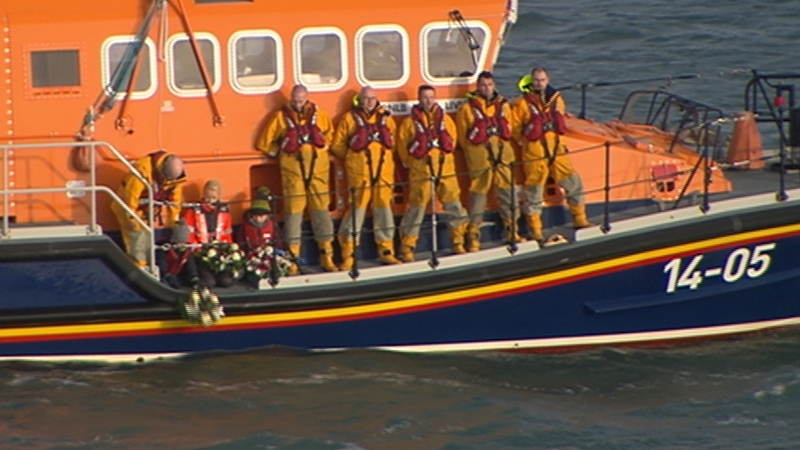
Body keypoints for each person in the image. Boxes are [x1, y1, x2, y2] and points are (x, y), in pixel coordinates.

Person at [256, 84, 338, 272]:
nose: (298, 104)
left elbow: (330, 135)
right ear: (291, 99)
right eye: (295, 100)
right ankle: (292, 261)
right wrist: (280, 153)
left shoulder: (320, 115)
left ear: (307, 98)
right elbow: (264, 143)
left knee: (321, 215)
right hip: (294, 176)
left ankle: (327, 257)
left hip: (318, 174)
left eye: (301, 100)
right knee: (293, 217)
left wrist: (324, 148)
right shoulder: (280, 117)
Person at [513, 67, 591, 241]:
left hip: (557, 150)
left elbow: (560, 119)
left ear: (547, 80)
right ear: (531, 82)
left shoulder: (557, 100)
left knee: (574, 184)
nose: (539, 83)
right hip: (535, 154)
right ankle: (536, 230)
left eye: (542, 80)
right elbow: (516, 130)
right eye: (536, 80)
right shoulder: (521, 104)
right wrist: (529, 145)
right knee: (534, 193)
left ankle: (580, 219)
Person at [330, 86, 401, 269]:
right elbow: (337, 145)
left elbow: (393, 144)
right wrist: (354, 158)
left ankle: (387, 251)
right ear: (359, 100)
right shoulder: (349, 119)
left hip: (383, 173)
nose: (369, 102)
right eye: (366, 98)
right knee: (355, 213)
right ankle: (348, 254)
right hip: (360, 175)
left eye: (372, 98)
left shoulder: (386, 118)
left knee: (384, 212)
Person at [396, 84, 468, 262]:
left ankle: (458, 241)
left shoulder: (445, 121)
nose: (428, 100)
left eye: (430, 97)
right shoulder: (408, 123)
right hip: (421, 171)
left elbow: (452, 141)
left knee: (454, 206)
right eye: (424, 97)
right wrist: (413, 164)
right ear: (419, 99)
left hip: (445, 169)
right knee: (416, 210)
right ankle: (408, 246)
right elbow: (402, 148)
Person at [455, 71, 523, 251]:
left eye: (490, 84)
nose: (487, 88)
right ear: (477, 87)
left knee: (508, 195)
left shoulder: (504, 106)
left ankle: (512, 230)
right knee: (477, 197)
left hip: (503, 156)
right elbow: (463, 138)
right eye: (483, 85)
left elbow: (511, 128)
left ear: (494, 85)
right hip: (480, 159)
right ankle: (473, 234)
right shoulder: (466, 109)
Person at [111, 150, 187, 267]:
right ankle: (140, 269)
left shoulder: (176, 176)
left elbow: (175, 200)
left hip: (145, 210)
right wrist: (131, 219)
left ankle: (152, 267)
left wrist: (174, 222)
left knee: (147, 242)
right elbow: (131, 197)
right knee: (137, 241)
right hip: (127, 208)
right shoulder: (142, 170)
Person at [182, 179, 232, 245]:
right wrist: (195, 246)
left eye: (214, 198)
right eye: (207, 197)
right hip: (199, 246)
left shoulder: (224, 209)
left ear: (219, 197)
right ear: (203, 195)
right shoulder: (194, 209)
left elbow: (227, 232)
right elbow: (188, 232)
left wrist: (227, 246)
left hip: (219, 245)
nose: (210, 201)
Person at [236, 187, 284, 255]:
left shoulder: (273, 226)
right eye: (255, 216)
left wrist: (277, 251)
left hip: (270, 256)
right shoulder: (245, 226)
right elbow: (241, 242)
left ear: (268, 215)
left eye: (261, 216)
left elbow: (278, 242)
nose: (258, 219)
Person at [155, 218, 200, 289]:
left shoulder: (187, 251)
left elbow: (191, 267)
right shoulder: (163, 250)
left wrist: (194, 279)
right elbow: (162, 265)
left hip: (179, 275)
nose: (182, 245)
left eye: (184, 243)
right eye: (180, 242)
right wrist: (168, 276)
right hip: (165, 276)